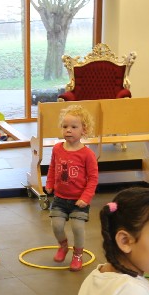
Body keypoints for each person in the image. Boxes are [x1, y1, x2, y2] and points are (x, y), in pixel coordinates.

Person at [45, 104, 100, 272]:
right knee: (56, 226)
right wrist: (49, 184)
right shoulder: (57, 149)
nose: (68, 130)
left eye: (74, 127)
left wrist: (86, 197)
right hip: (60, 198)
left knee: (77, 228)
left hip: (79, 200)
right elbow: (52, 168)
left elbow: (93, 178)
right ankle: (63, 246)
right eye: (65, 126)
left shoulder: (87, 154)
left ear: (84, 130)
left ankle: (77, 254)